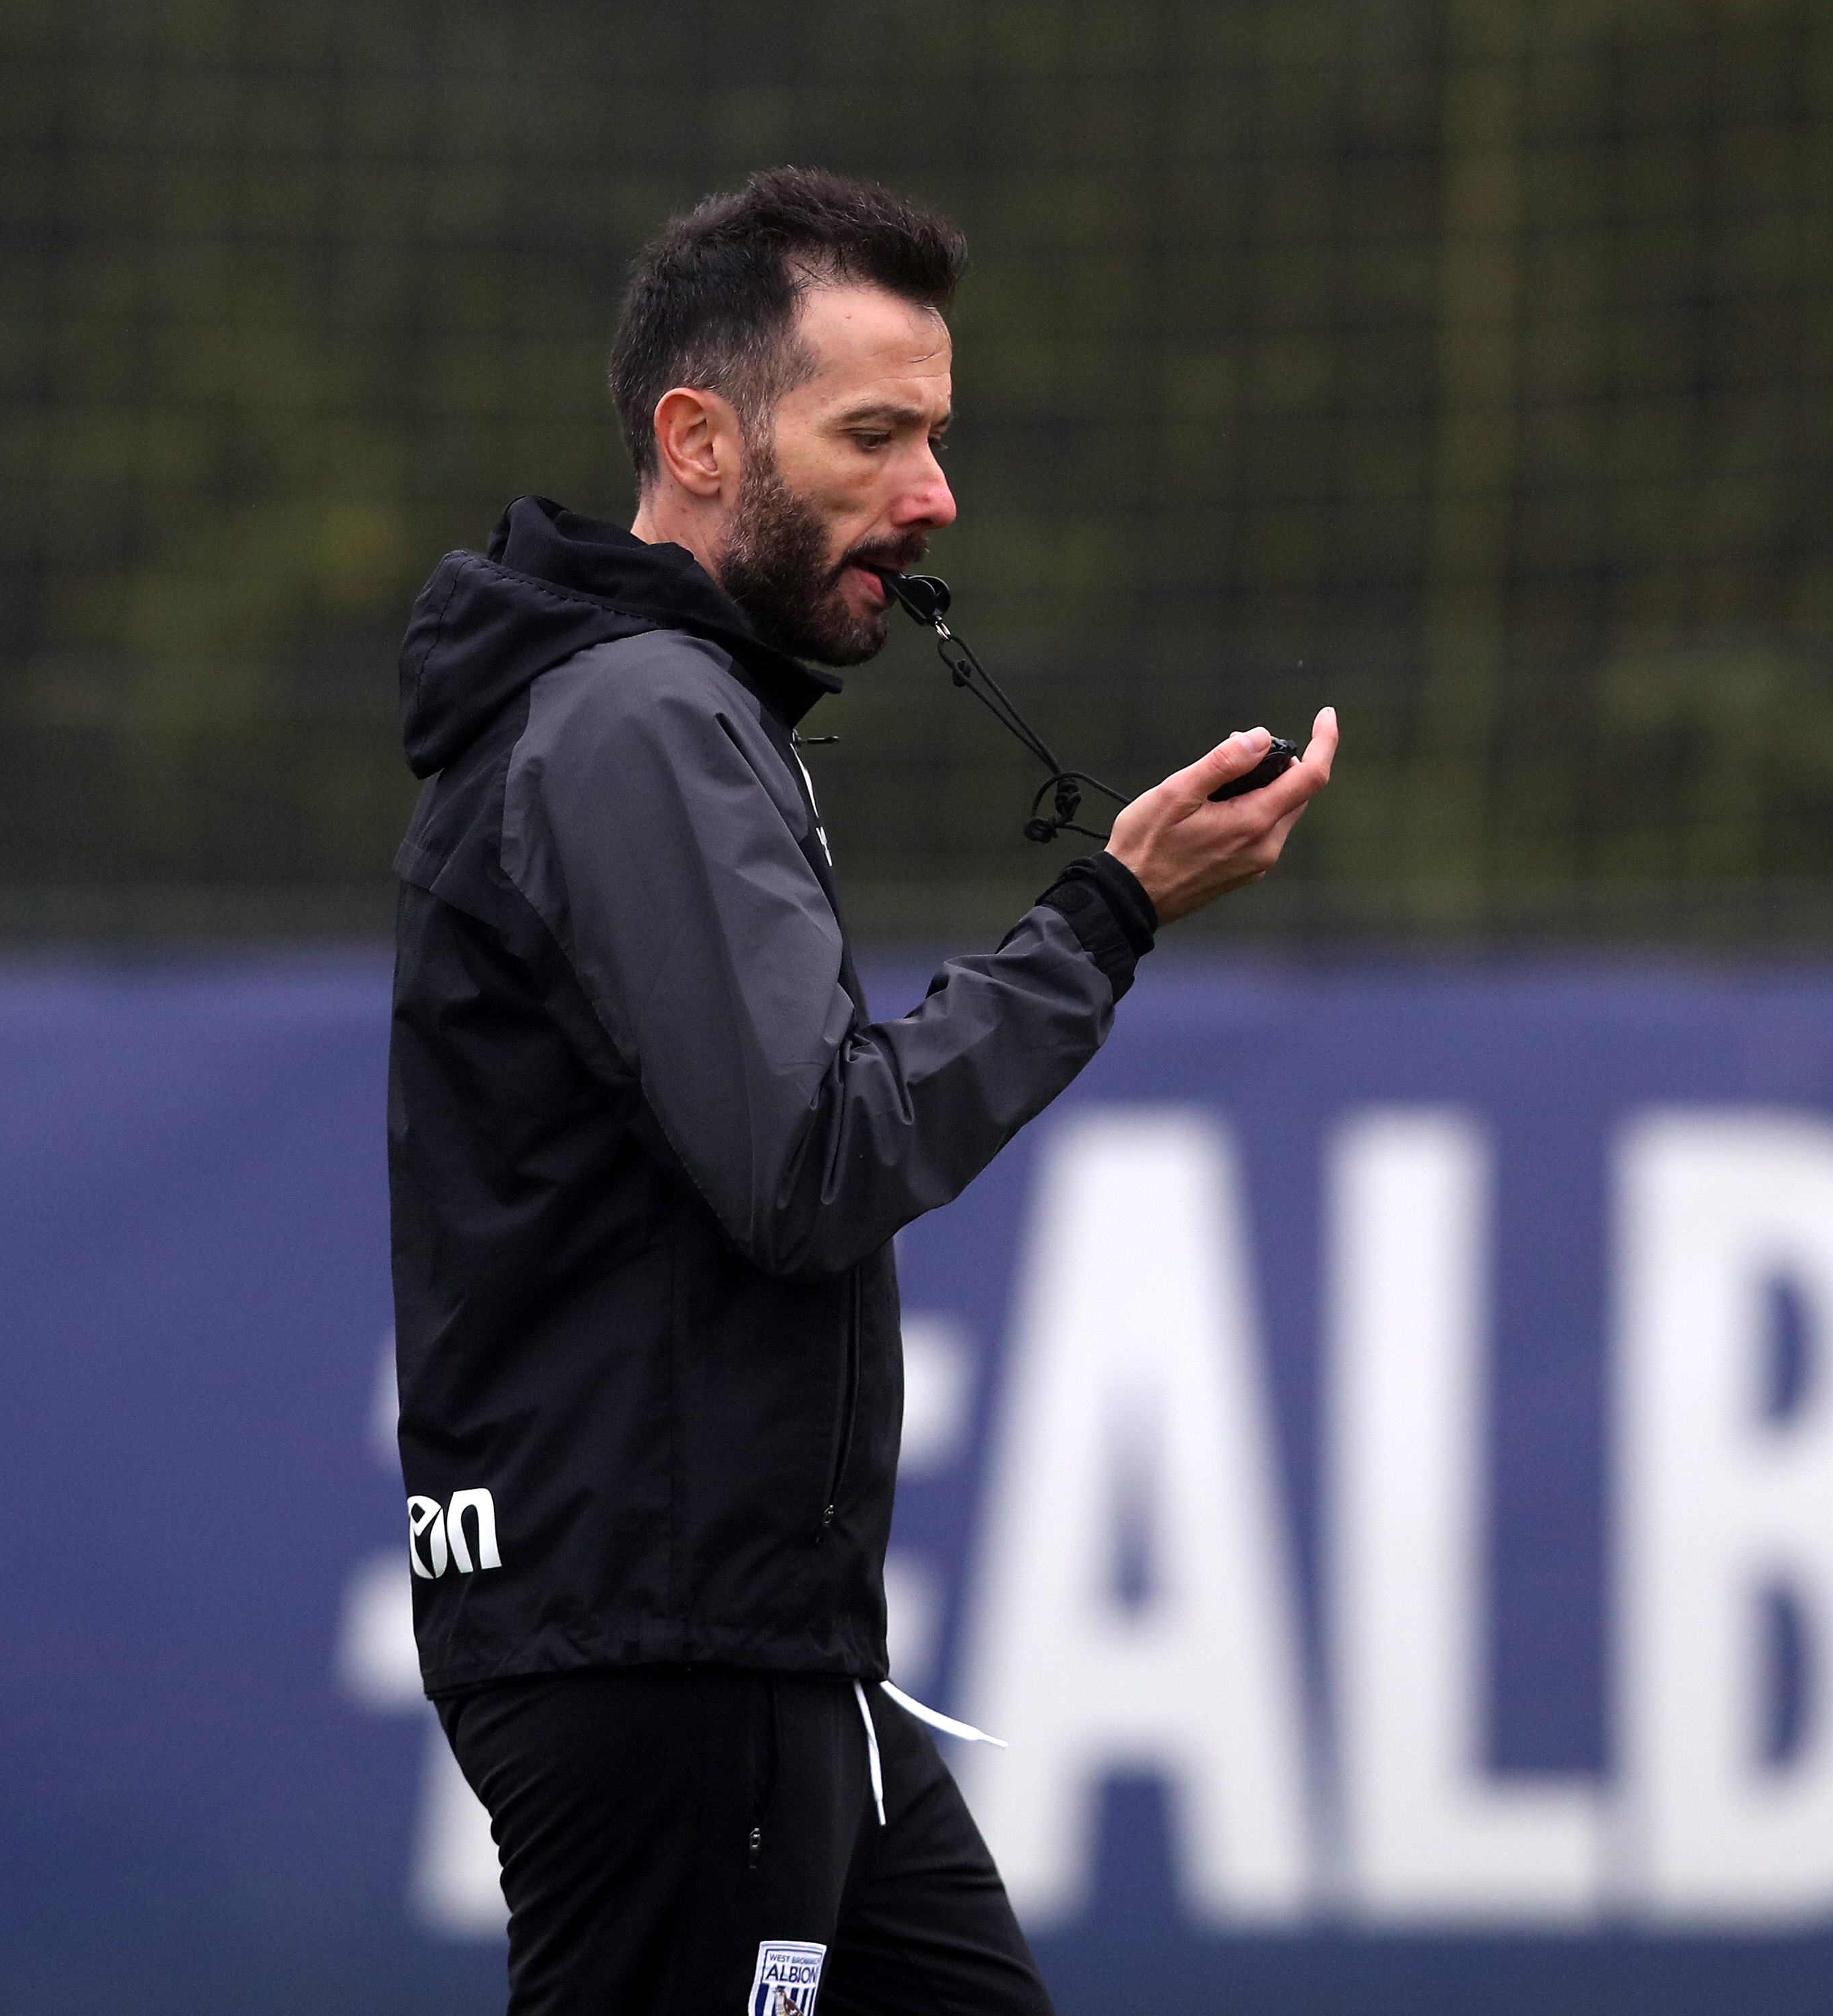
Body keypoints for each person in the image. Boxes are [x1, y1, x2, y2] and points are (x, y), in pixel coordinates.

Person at [385, 165, 1335, 2015]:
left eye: (939, 437)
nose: (933, 497)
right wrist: (1111, 916)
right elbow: (817, 1159)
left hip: (755, 1642)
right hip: (670, 1647)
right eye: (877, 435)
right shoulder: (643, 715)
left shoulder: (656, 704)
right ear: (702, 439)